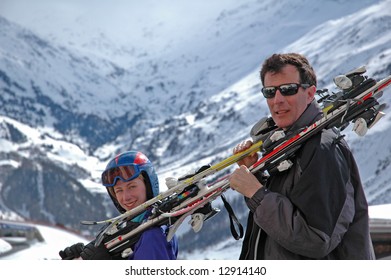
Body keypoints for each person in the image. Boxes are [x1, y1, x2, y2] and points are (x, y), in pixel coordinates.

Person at [229, 53, 375, 259]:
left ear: (310, 93)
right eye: (269, 92)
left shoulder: (323, 148)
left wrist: (256, 194)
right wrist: (257, 177)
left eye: (288, 90)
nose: (277, 100)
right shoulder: (291, 146)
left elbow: (316, 239)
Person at [59, 150, 178, 260]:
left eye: (132, 187)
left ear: (148, 186)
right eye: (119, 190)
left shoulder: (153, 235)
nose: (126, 197)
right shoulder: (130, 228)